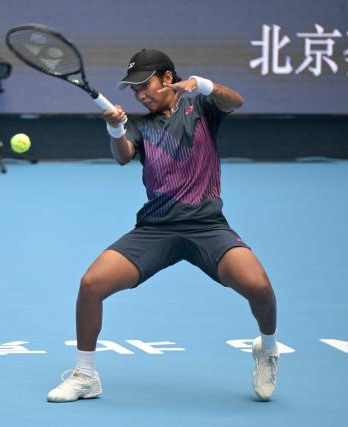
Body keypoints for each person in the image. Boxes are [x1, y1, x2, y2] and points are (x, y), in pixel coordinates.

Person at [46, 49, 278, 403]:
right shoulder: (141, 126)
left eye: (145, 85)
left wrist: (202, 85)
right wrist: (116, 127)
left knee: (259, 287)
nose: (140, 95)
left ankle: (267, 349)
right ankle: (85, 375)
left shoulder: (202, 108)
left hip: (208, 226)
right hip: (155, 229)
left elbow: (236, 101)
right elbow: (124, 156)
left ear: (167, 78)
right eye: (134, 90)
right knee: (91, 285)